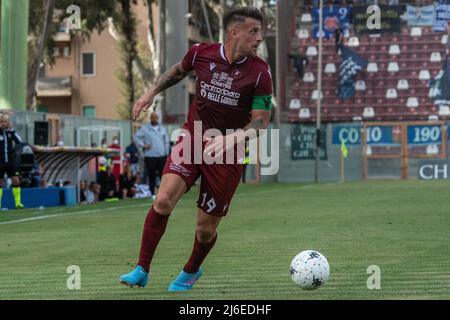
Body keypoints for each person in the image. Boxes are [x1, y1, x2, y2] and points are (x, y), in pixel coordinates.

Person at [119, 7, 273, 291]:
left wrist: (234, 138)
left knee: (205, 230)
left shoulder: (261, 73)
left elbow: (261, 122)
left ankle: (191, 269)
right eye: (254, 31)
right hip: (192, 139)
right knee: (163, 199)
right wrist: (150, 92)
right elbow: (178, 71)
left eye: (261, 32)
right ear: (234, 32)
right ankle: (141, 268)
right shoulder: (201, 53)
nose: (259, 38)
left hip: (228, 153)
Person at [134, 112, 169, 200]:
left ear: (157, 118)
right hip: (150, 156)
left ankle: (163, 192)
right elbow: (136, 137)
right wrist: (143, 145)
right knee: (151, 175)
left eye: (156, 117)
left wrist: (167, 153)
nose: (154, 119)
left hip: (162, 155)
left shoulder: (162, 128)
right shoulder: (145, 128)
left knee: (163, 175)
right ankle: (152, 193)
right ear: (150, 118)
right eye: (152, 117)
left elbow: (166, 141)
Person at [0, 113, 24, 209]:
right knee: (0, 182)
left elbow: (19, 141)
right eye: (1, 121)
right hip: (0, 162)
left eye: (5, 122)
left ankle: (18, 203)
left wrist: (12, 129)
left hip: (11, 161)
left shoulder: (10, 133)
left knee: (16, 180)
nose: (3, 123)